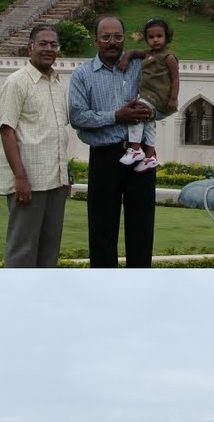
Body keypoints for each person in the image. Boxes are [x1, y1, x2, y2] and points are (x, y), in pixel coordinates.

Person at [67, 15, 158, 266]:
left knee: (141, 230)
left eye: (117, 36)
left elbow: (162, 99)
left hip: (139, 159)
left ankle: (139, 292)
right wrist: (117, 116)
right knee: (102, 231)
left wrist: (149, 110)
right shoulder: (83, 75)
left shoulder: (140, 67)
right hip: (104, 157)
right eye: (106, 37)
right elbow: (77, 116)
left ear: (124, 38)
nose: (112, 42)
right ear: (96, 40)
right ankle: (104, 293)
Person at [0, 23, 72, 267]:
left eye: (54, 44)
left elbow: (58, 133)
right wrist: (20, 178)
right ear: (30, 47)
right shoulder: (17, 82)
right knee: (23, 250)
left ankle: (41, 300)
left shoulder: (57, 83)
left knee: (49, 251)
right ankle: (18, 302)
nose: (48, 48)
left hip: (55, 182)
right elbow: (7, 130)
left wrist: (66, 175)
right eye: (43, 43)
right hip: (29, 183)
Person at [119, 17, 180, 173]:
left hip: (158, 96)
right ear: (146, 39)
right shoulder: (148, 53)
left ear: (167, 37)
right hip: (148, 96)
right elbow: (133, 51)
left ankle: (135, 148)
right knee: (148, 122)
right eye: (151, 37)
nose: (155, 40)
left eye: (159, 36)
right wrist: (126, 59)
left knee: (136, 112)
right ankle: (150, 157)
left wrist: (173, 99)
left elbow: (175, 79)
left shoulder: (169, 57)